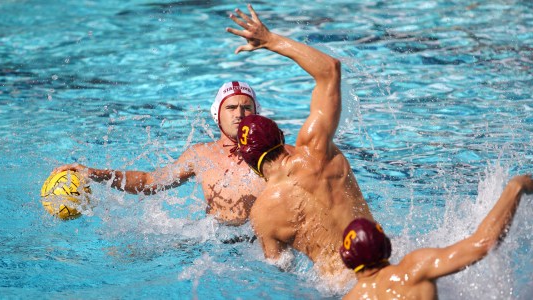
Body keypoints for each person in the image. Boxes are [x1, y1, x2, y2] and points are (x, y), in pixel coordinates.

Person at [226, 5, 375, 282]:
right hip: (381, 266)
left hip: (343, 289)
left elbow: (281, 272)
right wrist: (270, 40)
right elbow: (330, 70)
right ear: (281, 137)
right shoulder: (316, 150)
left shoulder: (262, 215)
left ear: (249, 162)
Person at [52, 81, 266, 226]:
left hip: (257, 241)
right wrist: (94, 173)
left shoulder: (273, 155)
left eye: (246, 108)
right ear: (217, 114)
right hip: (213, 241)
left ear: (256, 113)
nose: (239, 114)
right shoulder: (201, 155)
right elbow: (150, 181)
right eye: (231, 108)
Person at [339, 175, 533, 299]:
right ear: (387, 246)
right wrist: (515, 187)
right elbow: (483, 243)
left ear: (347, 258)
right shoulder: (412, 270)